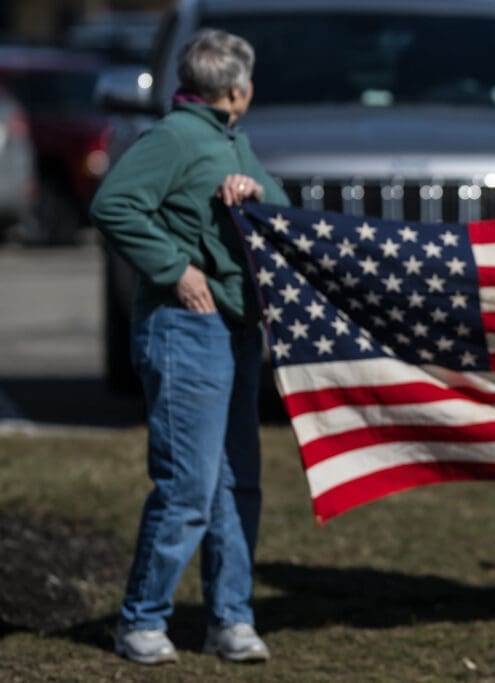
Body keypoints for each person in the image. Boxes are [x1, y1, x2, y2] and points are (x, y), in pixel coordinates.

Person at [90, 29, 290, 665]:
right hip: (184, 330)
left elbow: (279, 207)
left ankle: (230, 619)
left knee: (237, 482)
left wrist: (256, 194)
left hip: (234, 331)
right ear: (236, 89)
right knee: (188, 486)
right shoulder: (174, 138)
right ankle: (141, 621)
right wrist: (176, 268)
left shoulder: (234, 141)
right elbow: (114, 204)